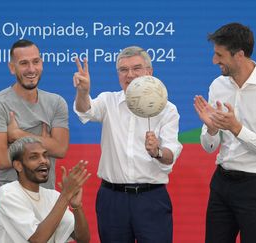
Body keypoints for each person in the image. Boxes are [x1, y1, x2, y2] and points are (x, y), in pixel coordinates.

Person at [73, 46, 183, 242]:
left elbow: (170, 155)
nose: (129, 75)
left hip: (151, 199)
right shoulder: (108, 101)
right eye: (123, 70)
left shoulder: (167, 109)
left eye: (136, 68)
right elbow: (85, 111)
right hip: (112, 199)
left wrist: (157, 151)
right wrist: (83, 92)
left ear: (149, 72)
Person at [194, 23, 256, 243]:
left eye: (219, 55)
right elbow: (209, 148)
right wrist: (211, 127)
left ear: (239, 55)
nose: (214, 61)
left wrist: (236, 128)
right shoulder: (218, 85)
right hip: (221, 181)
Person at [0, 39, 69, 199]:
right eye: (24, 63)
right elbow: (0, 160)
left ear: (42, 63)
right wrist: (44, 143)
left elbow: (60, 149)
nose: (31, 69)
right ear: (12, 68)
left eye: (36, 62)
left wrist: (18, 135)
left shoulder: (56, 102)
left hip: (46, 199)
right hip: (9, 199)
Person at [0, 136, 91, 243]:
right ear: (18, 165)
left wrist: (76, 207)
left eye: (45, 155)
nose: (43, 161)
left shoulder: (53, 196)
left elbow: (83, 239)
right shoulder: (8, 194)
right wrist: (66, 195)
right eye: (34, 157)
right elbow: (37, 239)